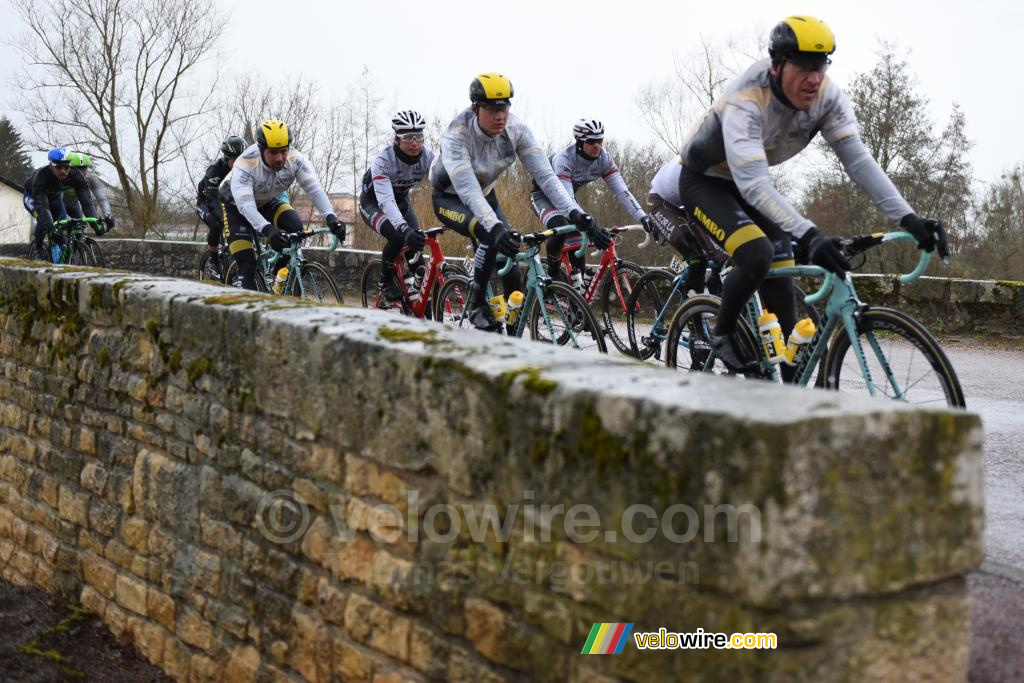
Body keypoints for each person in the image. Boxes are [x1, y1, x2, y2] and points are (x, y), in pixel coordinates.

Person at [675, 15, 948, 372]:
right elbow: (754, 185)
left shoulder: (827, 98)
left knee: (783, 270)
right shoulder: (747, 98)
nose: (814, 78)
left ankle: (791, 384)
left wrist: (909, 218)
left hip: (749, 185)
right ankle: (722, 332)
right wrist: (810, 233)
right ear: (777, 66)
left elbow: (859, 162)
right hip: (705, 181)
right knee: (756, 253)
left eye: (821, 66)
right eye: (804, 68)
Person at [430, 72, 610, 332]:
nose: (500, 115)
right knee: (489, 233)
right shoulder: (456, 136)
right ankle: (476, 302)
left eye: (504, 107)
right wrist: (494, 227)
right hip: (450, 197)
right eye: (492, 109)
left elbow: (546, 177)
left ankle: (512, 334)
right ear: (475, 108)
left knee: (511, 262)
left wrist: (576, 213)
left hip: (485, 194)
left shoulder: (516, 131)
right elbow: (468, 190)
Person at [219, 119, 346, 291]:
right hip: (235, 206)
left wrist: (331, 217)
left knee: (294, 227)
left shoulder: (296, 160)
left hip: (267, 200)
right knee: (247, 262)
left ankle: (279, 278)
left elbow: (314, 189)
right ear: (261, 149)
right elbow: (246, 206)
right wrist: (268, 229)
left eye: (283, 151)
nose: (279, 158)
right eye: (273, 152)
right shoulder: (246, 164)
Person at [530, 119, 651, 291]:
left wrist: (643, 216)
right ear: (579, 142)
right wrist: (591, 226)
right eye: (591, 141)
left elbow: (622, 192)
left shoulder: (604, 159)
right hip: (544, 196)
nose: (597, 145)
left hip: (568, 197)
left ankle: (577, 292)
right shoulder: (564, 159)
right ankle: (554, 270)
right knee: (561, 226)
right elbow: (566, 200)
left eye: (600, 141)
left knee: (580, 239)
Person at [359, 110, 434, 301]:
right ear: (396, 140)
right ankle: (384, 279)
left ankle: (416, 296)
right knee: (398, 236)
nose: (415, 142)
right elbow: (385, 201)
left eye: (418, 136)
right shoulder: (383, 161)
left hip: (401, 203)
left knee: (416, 245)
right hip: (373, 203)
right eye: (408, 137)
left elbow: (444, 184)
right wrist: (403, 228)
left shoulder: (428, 157)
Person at [648, 158, 729, 297]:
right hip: (662, 203)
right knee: (698, 258)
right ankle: (692, 313)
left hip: (684, 201)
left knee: (728, 251)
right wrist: (722, 259)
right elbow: (696, 219)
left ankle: (711, 296)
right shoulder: (700, 167)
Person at [22, 147, 97, 259]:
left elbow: (87, 202)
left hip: (55, 198)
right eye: (59, 167)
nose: (63, 171)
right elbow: (42, 206)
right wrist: (51, 229)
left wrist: (95, 222)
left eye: (66, 167)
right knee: (44, 221)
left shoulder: (75, 175)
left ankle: (60, 255)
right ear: (51, 166)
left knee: (62, 227)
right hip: (33, 198)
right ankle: (38, 249)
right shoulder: (42, 176)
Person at [196, 136, 246, 277]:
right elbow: (213, 201)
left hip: (226, 200)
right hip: (205, 201)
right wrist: (224, 219)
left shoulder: (244, 169)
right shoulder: (215, 170)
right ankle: (212, 259)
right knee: (216, 223)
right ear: (227, 157)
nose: (239, 163)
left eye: (241, 159)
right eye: (235, 159)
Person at [63, 152, 115, 234]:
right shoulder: (62, 178)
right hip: (56, 204)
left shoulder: (91, 178)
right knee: (56, 229)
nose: (82, 172)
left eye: (84, 168)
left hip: (73, 205)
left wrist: (108, 215)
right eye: (78, 169)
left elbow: (101, 199)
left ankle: (80, 245)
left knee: (82, 226)